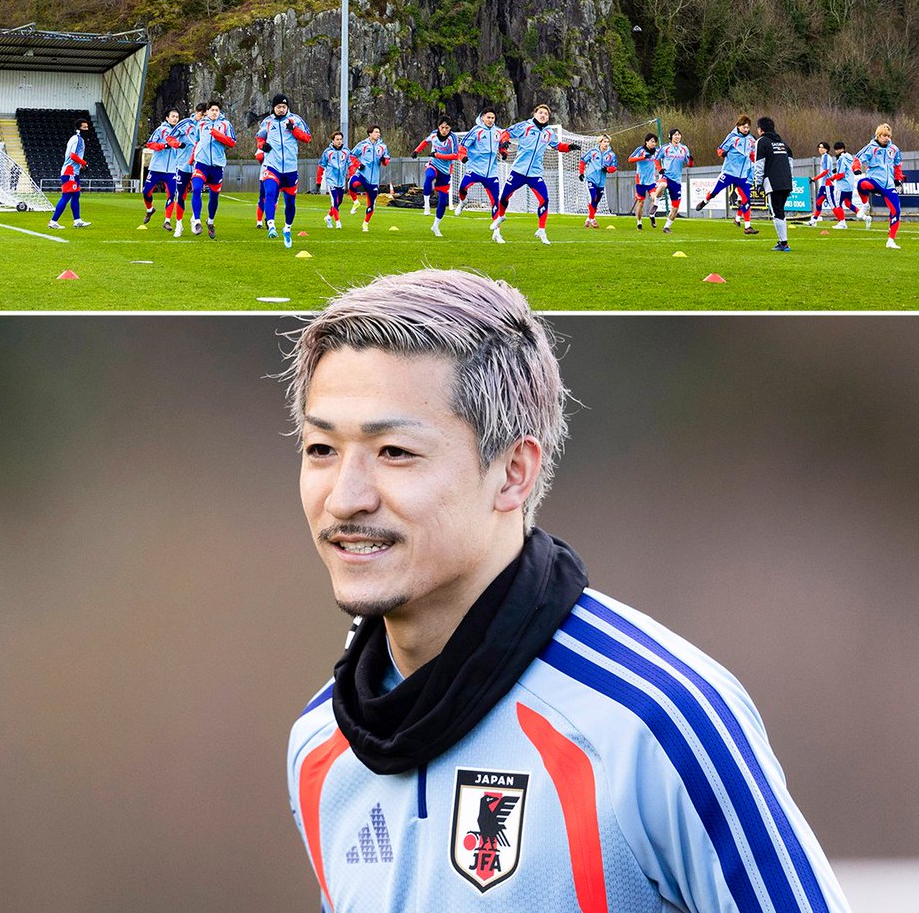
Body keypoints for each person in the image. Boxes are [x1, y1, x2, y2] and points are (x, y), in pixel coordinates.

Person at [286, 269, 852, 913]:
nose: (344, 497)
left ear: (514, 473)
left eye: (393, 451)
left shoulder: (659, 722)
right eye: (321, 448)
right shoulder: (319, 745)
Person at [491, 104, 581, 245]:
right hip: (518, 171)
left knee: (544, 199)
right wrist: (504, 142)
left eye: (546, 113)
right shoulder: (525, 126)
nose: (543, 115)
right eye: (541, 112)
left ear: (548, 117)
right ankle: (500, 219)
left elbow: (557, 146)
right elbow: (506, 132)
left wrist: (569, 147)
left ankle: (541, 230)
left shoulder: (549, 132)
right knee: (503, 198)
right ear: (535, 114)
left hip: (535, 173)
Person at [255, 94, 312, 248]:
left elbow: (307, 138)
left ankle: (287, 228)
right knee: (270, 193)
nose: (281, 109)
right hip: (272, 165)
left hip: (290, 168)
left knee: (290, 202)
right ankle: (271, 225)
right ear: (273, 108)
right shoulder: (267, 122)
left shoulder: (296, 120)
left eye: (284, 107)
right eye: (278, 107)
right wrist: (262, 146)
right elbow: (259, 138)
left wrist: (294, 129)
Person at [694, 116, 759, 234]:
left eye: (748, 127)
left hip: (742, 176)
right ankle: (705, 201)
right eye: (744, 127)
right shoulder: (732, 137)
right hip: (729, 172)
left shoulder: (751, 140)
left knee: (746, 199)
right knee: (714, 192)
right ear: (738, 126)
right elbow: (719, 149)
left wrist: (756, 161)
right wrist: (722, 153)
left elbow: (752, 154)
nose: (746, 129)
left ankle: (748, 227)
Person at [454, 107, 509, 226]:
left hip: (491, 173)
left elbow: (502, 146)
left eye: (493, 118)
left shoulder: (498, 132)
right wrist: (463, 157)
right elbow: (462, 146)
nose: (491, 120)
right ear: (482, 117)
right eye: (488, 117)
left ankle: (497, 232)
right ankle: (463, 202)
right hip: (475, 169)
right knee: (462, 188)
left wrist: (504, 153)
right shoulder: (476, 131)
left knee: (496, 201)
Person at [190, 99, 236, 240]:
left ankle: (210, 221)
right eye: (212, 110)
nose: (214, 112)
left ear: (219, 112)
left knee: (214, 196)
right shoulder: (201, 124)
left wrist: (217, 134)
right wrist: (193, 158)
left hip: (217, 166)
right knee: (196, 188)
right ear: (207, 112)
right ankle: (197, 221)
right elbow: (198, 141)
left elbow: (232, 142)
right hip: (201, 164)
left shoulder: (226, 125)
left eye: (217, 110)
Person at [853, 123, 904, 250]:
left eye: (888, 136)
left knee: (896, 211)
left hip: (889, 185)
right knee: (861, 184)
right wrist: (857, 169)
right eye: (883, 135)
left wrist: (898, 179)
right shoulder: (870, 148)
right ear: (878, 135)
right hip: (875, 181)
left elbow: (897, 165)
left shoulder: (894, 149)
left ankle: (891, 240)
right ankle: (865, 205)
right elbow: (858, 159)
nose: (886, 138)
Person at [413, 115, 461, 237]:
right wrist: (416, 151)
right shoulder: (434, 134)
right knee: (429, 176)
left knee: (443, 201)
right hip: (433, 164)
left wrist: (438, 155)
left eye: (447, 127)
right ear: (438, 127)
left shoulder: (453, 138)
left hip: (445, 171)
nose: (444, 130)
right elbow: (425, 141)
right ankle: (427, 205)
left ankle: (435, 226)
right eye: (442, 127)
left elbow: (456, 155)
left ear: (450, 128)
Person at [754, 116, 795, 252]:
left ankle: (784, 243)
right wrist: (790, 181)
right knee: (780, 211)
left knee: (777, 212)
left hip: (773, 182)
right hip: (786, 182)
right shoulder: (783, 143)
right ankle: (782, 242)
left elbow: (759, 163)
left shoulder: (762, 142)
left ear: (760, 129)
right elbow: (790, 164)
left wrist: (758, 183)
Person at [48, 117, 92, 229]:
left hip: (73, 171)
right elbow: (73, 155)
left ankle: (77, 220)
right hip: (70, 171)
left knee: (76, 195)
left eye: (87, 127)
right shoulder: (78, 139)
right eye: (84, 127)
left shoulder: (75, 138)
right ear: (79, 128)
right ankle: (53, 221)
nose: (87, 129)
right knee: (66, 196)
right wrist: (83, 163)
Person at [141, 107, 181, 231]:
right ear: (167, 118)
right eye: (173, 116)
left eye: (177, 117)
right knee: (146, 192)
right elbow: (150, 144)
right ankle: (150, 209)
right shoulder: (161, 130)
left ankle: (167, 221)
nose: (175, 118)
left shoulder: (180, 132)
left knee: (171, 194)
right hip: (157, 167)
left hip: (172, 170)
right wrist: (163, 146)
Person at [348, 126, 391, 233]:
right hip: (362, 175)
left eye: (379, 132)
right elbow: (351, 156)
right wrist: (358, 164)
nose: (378, 134)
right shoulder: (362, 145)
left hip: (374, 180)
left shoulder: (382, 146)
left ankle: (365, 223)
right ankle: (356, 202)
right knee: (352, 184)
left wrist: (383, 160)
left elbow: (386, 161)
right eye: (376, 132)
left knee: (371, 204)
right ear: (370, 133)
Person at [172, 102, 204, 238]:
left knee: (198, 192)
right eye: (202, 114)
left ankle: (195, 219)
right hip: (183, 165)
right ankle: (179, 223)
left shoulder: (207, 126)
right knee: (181, 195)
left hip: (200, 165)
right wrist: (178, 144)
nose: (203, 117)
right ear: (197, 112)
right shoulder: (185, 124)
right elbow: (170, 137)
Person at [653, 127, 693, 234]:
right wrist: (659, 169)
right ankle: (655, 204)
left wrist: (691, 160)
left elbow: (689, 164)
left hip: (677, 180)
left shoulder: (684, 149)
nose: (677, 136)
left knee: (675, 208)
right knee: (661, 186)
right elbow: (656, 159)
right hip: (666, 176)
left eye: (679, 134)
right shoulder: (665, 148)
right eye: (675, 135)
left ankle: (666, 227)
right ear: (671, 137)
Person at [577, 133, 617, 227]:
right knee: (592, 197)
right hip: (591, 179)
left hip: (601, 182)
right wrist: (581, 173)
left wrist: (607, 169)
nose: (606, 144)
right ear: (600, 142)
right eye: (604, 142)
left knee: (596, 201)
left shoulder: (611, 155)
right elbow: (583, 161)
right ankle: (593, 219)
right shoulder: (593, 152)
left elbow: (614, 167)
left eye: (608, 142)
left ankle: (589, 218)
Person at [316, 130, 350, 230]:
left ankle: (328, 217)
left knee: (339, 202)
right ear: (333, 141)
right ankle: (338, 222)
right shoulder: (327, 152)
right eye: (337, 139)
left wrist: (351, 175)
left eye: (341, 139)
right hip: (331, 180)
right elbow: (321, 167)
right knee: (335, 201)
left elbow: (350, 163)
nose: (339, 141)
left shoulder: (346, 151)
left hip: (341, 181)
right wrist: (318, 181)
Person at [628, 133, 660, 229]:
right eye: (652, 141)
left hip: (651, 181)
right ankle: (639, 222)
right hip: (640, 181)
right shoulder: (640, 150)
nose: (653, 144)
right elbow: (630, 159)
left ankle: (652, 214)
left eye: (655, 142)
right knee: (641, 203)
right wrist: (643, 157)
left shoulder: (657, 151)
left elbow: (662, 157)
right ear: (647, 142)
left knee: (655, 198)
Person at [831, 141, 865, 229]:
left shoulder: (841, 158)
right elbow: (848, 169)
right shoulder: (849, 156)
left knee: (838, 204)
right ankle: (864, 217)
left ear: (837, 150)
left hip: (842, 185)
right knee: (848, 203)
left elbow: (841, 174)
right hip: (850, 185)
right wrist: (836, 170)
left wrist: (833, 177)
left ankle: (842, 223)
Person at [809, 141, 839, 228]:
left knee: (832, 204)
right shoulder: (823, 157)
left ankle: (841, 221)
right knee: (818, 202)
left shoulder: (826, 157)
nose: (820, 149)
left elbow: (826, 171)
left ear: (826, 149)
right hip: (823, 185)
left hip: (827, 184)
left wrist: (815, 178)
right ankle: (814, 220)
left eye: (822, 147)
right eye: (819, 147)